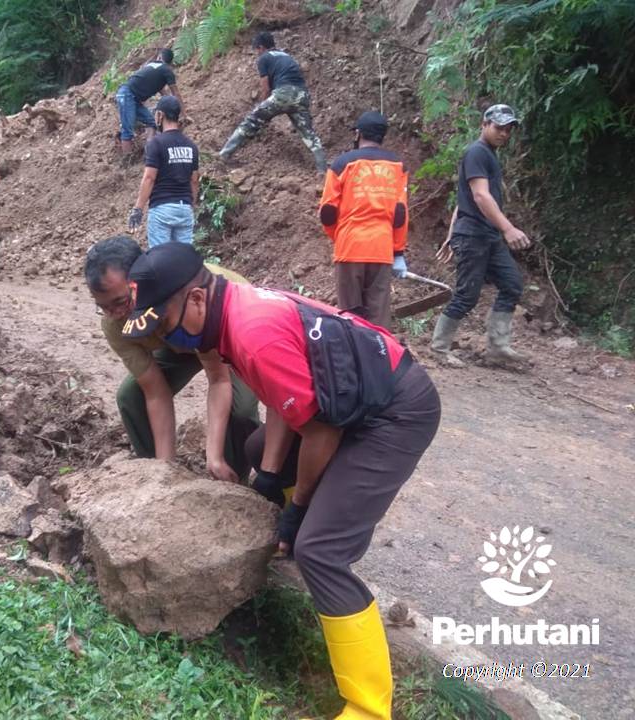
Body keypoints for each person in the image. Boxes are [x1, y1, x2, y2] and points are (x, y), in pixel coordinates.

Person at [124, 243, 440, 720]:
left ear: (195, 299)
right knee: (258, 451)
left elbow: (320, 430)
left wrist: (298, 509)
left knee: (322, 551)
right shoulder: (233, 312)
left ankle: (368, 708)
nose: (166, 340)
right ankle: (304, 536)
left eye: (164, 325)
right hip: (357, 397)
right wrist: (270, 475)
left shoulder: (252, 333)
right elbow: (284, 402)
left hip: (393, 412)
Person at [86, 237, 259, 481]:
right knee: (131, 396)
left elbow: (218, 378)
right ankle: (154, 471)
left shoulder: (184, 295)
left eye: (121, 302)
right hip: (177, 342)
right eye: (103, 307)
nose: (115, 314)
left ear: (140, 280)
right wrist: (164, 471)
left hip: (225, 331)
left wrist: (214, 456)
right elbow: (156, 392)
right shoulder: (115, 325)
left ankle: (233, 480)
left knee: (241, 409)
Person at [431, 104, 530, 366]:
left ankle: (498, 348)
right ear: (484, 125)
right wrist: (508, 228)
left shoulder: (488, 154)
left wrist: (451, 234)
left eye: (508, 129)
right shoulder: (477, 152)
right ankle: (439, 348)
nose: (504, 133)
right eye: (499, 127)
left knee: (511, 284)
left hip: (486, 235)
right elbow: (480, 196)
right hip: (474, 236)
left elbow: (462, 200)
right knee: (467, 294)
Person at [319, 111, 409, 327]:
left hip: (350, 245)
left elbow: (328, 212)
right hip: (381, 248)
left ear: (358, 133)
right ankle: (379, 348)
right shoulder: (398, 166)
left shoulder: (342, 164)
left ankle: (352, 348)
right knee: (378, 317)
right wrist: (398, 252)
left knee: (349, 317)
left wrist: (340, 236)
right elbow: (400, 213)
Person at [219, 33, 326, 172]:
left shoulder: (264, 58)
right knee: (308, 134)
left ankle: (224, 154)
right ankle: (322, 169)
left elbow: (266, 87)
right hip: (302, 95)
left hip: (283, 94)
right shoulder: (287, 56)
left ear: (261, 47)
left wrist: (263, 108)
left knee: (251, 121)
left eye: (256, 50)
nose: (257, 53)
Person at [127, 96, 199, 247]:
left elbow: (149, 178)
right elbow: (194, 180)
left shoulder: (156, 143)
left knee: (160, 257)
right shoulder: (191, 146)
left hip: (162, 210)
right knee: (183, 257)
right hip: (184, 209)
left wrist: (138, 209)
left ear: (160, 115)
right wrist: (190, 205)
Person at [116, 49, 182, 158]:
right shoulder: (166, 70)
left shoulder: (152, 67)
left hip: (130, 95)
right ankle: (127, 161)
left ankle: (149, 152)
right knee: (127, 129)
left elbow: (165, 95)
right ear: (170, 63)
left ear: (160, 57)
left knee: (152, 122)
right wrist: (183, 114)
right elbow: (175, 94)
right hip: (127, 95)